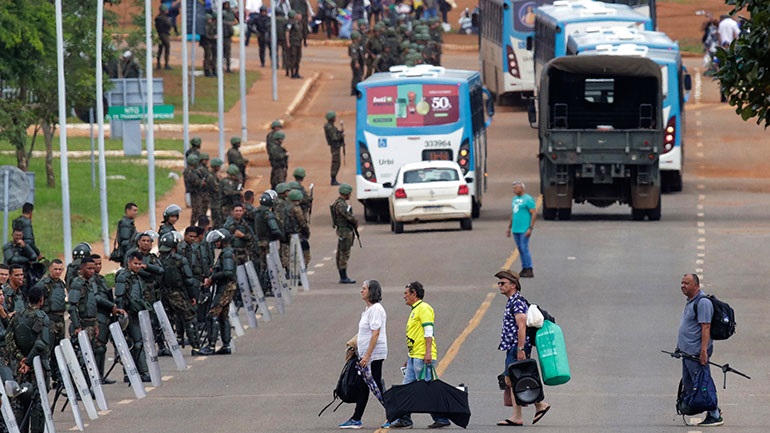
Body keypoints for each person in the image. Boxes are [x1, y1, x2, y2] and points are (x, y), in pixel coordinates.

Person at [389, 281, 450, 429]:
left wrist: (428, 352)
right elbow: (415, 335)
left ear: (414, 294)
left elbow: (428, 331)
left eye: (406, 293)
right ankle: (405, 418)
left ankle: (441, 417)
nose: (404, 296)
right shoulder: (415, 310)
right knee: (407, 387)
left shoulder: (424, 308)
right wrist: (409, 357)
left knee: (427, 388)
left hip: (422, 356)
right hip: (414, 356)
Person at [494, 269, 550, 426]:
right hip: (513, 346)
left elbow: (522, 326)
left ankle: (529, 410)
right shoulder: (512, 301)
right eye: (499, 283)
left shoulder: (517, 302)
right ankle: (535, 407)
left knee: (514, 379)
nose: (500, 286)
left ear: (513, 285)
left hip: (517, 346)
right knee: (513, 379)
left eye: (503, 283)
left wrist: (520, 349)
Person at [339, 280, 387, 429]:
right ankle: (356, 418)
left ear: (372, 291)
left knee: (376, 385)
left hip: (374, 355)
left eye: (364, 288)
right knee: (363, 386)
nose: (361, 291)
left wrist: (367, 356)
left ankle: (395, 414)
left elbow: (375, 333)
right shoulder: (368, 309)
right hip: (366, 354)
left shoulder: (376, 309)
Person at [677, 273, 723, 427]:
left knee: (702, 383)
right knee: (690, 383)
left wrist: (703, 351)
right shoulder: (691, 301)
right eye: (682, 283)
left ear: (696, 286)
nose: (683, 286)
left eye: (687, 283)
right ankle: (712, 407)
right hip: (687, 352)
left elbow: (706, 327)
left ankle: (714, 414)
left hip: (696, 353)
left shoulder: (702, 303)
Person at [5, 286, 49, 433]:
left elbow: (9, 341)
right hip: (38, 367)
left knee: (19, 400)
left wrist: (21, 358)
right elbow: (41, 343)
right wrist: (29, 361)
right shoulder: (41, 317)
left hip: (19, 367)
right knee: (38, 401)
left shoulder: (17, 316)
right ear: (41, 300)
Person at [114, 252, 153, 382]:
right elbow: (119, 297)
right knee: (136, 343)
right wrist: (122, 315)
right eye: (135, 263)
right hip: (128, 315)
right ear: (129, 262)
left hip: (137, 314)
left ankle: (132, 372)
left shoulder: (137, 277)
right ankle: (141, 372)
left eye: (139, 264)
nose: (137, 266)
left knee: (136, 343)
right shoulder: (123, 276)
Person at [32, 259, 67, 386]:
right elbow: (34, 302)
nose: (58, 272)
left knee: (59, 350)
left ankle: (58, 378)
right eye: (55, 269)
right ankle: (45, 379)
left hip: (60, 320)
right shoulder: (43, 284)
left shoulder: (61, 284)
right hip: (49, 320)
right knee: (47, 350)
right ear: (50, 269)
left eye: (60, 269)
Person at [92, 254, 124, 384]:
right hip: (98, 316)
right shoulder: (91, 281)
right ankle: (96, 376)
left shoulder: (100, 279)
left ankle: (100, 375)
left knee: (102, 347)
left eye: (100, 264)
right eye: (95, 264)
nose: (98, 267)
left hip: (105, 316)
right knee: (98, 347)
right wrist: (112, 306)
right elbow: (96, 298)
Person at [506, 181, 536, 278]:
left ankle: (529, 268)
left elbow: (533, 213)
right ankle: (524, 267)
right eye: (513, 188)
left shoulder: (528, 199)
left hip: (524, 228)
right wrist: (509, 227)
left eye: (516, 188)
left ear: (522, 188)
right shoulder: (514, 199)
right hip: (516, 228)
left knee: (524, 247)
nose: (514, 190)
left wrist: (530, 228)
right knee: (520, 248)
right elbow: (513, 213)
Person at [331, 184, 357, 284]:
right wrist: (355, 221)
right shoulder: (341, 205)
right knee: (344, 253)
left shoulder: (339, 203)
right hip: (345, 231)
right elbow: (348, 216)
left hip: (343, 230)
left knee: (342, 252)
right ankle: (343, 276)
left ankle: (343, 275)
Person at [324, 111, 345, 186]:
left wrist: (340, 132)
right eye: (334, 117)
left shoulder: (331, 126)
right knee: (336, 162)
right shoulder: (329, 127)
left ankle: (334, 179)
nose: (335, 118)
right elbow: (334, 138)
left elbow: (335, 133)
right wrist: (341, 136)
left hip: (336, 146)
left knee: (337, 162)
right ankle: (333, 179)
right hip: (335, 146)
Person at [207, 158, 225, 227]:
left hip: (218, 202)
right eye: (218, 166)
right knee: (217, 222)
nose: (219, 167)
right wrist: (221, 182)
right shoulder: (211, 177)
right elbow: (217, 189)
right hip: (215, 203)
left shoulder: (215, 175)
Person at [221, 0, 238, 73]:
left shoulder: (231, 12)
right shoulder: (221, 12)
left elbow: (236, 20)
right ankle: (220, 66)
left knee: (227, 52)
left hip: (228, 35)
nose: (226, 6)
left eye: (227, 4)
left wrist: (232, 23)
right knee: (221, 52)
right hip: (221, 34)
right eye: (225, 4)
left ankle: (228, 67)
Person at [155, 4, 173, 70]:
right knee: (167, 49)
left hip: (159, 34)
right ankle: (166, 64)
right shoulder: (165, 18)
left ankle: (158, 64)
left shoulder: (157, 18)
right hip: (165, 34)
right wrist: (170, 21)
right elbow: (169, 26)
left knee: (160, 49)